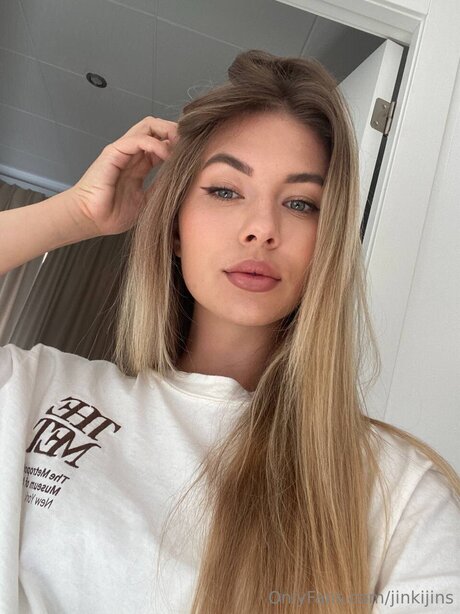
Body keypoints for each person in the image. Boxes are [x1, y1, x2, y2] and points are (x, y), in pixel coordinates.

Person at [0, 49, 459, 614]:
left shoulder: (397, 490)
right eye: (225, 191)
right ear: (174, 227)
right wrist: (75, 213)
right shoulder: (36, 387)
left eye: (301, 203)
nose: (262, 229)